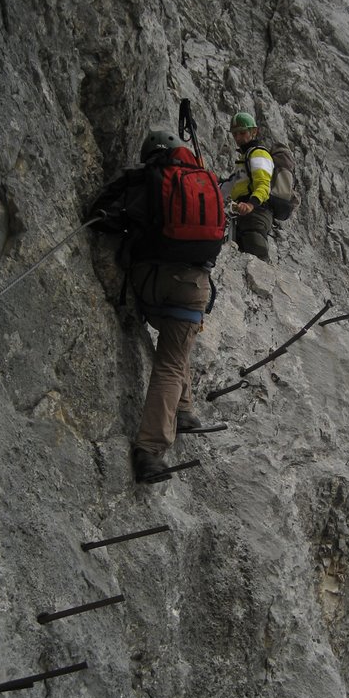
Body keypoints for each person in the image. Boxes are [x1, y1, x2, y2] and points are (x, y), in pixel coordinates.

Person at [88, 128, 224, 482]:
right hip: (193, 284)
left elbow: (105, 214)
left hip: (149, 280)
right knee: (173, 357)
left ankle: (175, 418)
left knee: (172, 350)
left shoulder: (145, 179)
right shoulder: (202, 182)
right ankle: (157, 441)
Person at [221, 112, 275, 261]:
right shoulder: (244, 159)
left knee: (256, 254)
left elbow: (263, 185)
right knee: (245, 257)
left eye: (242, 133)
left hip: (257, 212)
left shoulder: (258, 154)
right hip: (244, 214)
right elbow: (230, 185)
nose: (238, 138)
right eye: (235, 134)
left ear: (254, 132)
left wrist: (251, 205)